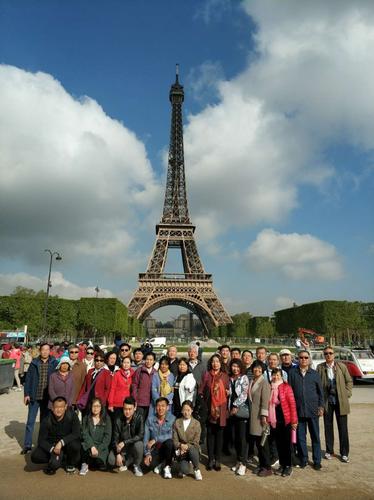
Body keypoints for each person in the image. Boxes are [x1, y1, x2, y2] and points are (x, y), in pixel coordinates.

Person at [288, 350, 324, 470]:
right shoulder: (292, 373)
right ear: (298, 359)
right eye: (301, 357)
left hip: (312, 410)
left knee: (315, 437)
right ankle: (303, 459)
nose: (303, 359)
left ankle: (317, 460)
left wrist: (321, 406)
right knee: (300, 437)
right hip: (298, 411)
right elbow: (290, 392)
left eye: (305, 357)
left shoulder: (314, 374)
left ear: (309, 359)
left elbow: (320, 392)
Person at [317, 346, 353, 463]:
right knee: (328, 427)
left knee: (343, 428)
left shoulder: (341, 366)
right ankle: (329, 450)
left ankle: (344, 453)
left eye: (330, 353)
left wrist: (346, 393)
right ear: (324, 355)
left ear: (334, 355)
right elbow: (318, 384)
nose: (328, 355)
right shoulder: (320, 367)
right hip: (327, 401)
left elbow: (349, 381)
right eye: (326, 353)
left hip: (340, 401)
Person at [22, 342, 58, 455]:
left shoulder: (54, 363)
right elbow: (28, 379)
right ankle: (27, 445)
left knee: (44, 423)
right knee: (30, 422)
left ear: (50, 351)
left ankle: (42, 444)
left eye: (47, 350)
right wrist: (26, 394)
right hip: (34, 396)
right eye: (43, 350)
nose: (45, 352)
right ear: (40, 351)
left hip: (47, 398)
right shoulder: (34, 362)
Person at [30, 396, 81, 475]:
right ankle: (56, 459)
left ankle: (69, 462)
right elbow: (41, 440)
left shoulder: (72, 415)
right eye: (56, 407)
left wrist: (61, 442)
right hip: (52, 445)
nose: (59, 409)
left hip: (67, 444)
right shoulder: (46, 419)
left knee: (75, 445)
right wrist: (52, 449)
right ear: (52, 408)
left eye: (61, 407)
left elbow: (76, 433)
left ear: (66, 407)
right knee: (35, 457)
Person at [199, 354, 229, 471]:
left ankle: (218, 459)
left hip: (221, 409)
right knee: (210, 435)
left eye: (217, 361)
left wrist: (227, 392)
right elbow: (201, 390)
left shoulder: (225, 376)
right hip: (209, 409)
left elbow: (228, 390)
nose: (215, 364)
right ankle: (210, 459)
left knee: (219, 436)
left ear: (221, 363)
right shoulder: (207, 375)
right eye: (213, 361)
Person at [268, 368, 298, 477]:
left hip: (285, 420)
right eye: (274, 375)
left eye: (278, 375)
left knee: (286, 445)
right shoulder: (270, 387)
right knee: (279, 444)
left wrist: (294, 421)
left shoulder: (286, 387)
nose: (276, 377)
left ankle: (288, 466)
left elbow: (292, 405)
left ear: (281, 376)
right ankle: (282, 464)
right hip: (274, 420)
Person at [108, 396, 144, 476]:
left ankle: (136, 465)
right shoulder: (118, 419)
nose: (127, 412)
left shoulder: (139, 417)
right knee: (111, 460)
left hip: (133, 446)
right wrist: (117, 454)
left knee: (139, 444)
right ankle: (127, 462)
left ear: (135, 407)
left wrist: (125, 442)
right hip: (123, 449)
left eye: (129, 409)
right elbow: (114, 439)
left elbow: (140, 435)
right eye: (125, 409)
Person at [248, 360, 272, 477]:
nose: (257, 370)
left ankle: (267, 467)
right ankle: (262, 465)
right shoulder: (252, 381)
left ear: (262, 370)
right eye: (255, 368)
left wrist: (264, 416)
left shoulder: (264, 383)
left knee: (263, 443)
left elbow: (265, 401)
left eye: (259, 368)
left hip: (260, 417)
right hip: (253, 416)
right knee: (258, 443)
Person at [143, 397, 176, 479]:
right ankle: (161, 462)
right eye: (158, 406)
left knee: (170, 443)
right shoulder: (149, 420)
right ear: (155, 407)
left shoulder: (173, 419)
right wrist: (147, 454)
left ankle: (167, 466)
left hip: (167, 448)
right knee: (147, 466)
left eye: (163, 406)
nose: (160, 408)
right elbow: (145, 439)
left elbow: (172, 435)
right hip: (155, 449)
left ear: (167, 407)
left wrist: (156, 439)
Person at [228, 359, 250, 476]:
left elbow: (244, 394)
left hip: (240, 411)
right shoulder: (230, 378)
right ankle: (238, 460)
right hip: (231, 411)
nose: (235, 369)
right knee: (235, 437)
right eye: (233, 366)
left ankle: (244, 463)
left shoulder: (244, 378)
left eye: (237, 366)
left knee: (242, 439)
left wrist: (236, 405)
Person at [80, 397, 112, 475]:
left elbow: (107, 438)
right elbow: (84, 433)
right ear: (91, 407)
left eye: (98, 406)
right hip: (89, 445)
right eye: (94, 406)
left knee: (99, 463)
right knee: (83, 450)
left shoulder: (106, 419)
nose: (95, 408)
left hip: (101, 447)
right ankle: (85, 464)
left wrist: (98, 449)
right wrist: (92, 446)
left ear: (101, 407)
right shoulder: (86, 418)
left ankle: (94, 461)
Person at [173, 400, 202, 480]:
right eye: (184, 410)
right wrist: (180, 446)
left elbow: (196, 441)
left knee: (192, 449)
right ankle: (185, 466)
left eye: (188, 410)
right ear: (182, 410)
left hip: (193, 449)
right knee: (184, 470)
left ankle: (196, 469)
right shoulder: (177, 422)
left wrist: (187, 446)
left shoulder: (196, 423)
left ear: (192, 410)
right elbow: (175, 440)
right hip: (181, 450)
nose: (186, 412)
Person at [132, 351, 157, 420]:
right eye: (147, 359)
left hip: (151, 403)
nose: (149, 361)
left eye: (151, 360)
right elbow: (134, 385)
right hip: (140, 402)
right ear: (144, 360)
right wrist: (135, 399)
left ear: (154, 361)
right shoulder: (139, 371)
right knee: (139, 421)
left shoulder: (155, 372)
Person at [68, 344, 87, 408]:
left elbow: (84, 382)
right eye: (71, 352)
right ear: (68, 353)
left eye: (76, 352)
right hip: (64, 398)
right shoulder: (63, 364)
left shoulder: (82, 366)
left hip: (76, 398)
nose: (74, 354)